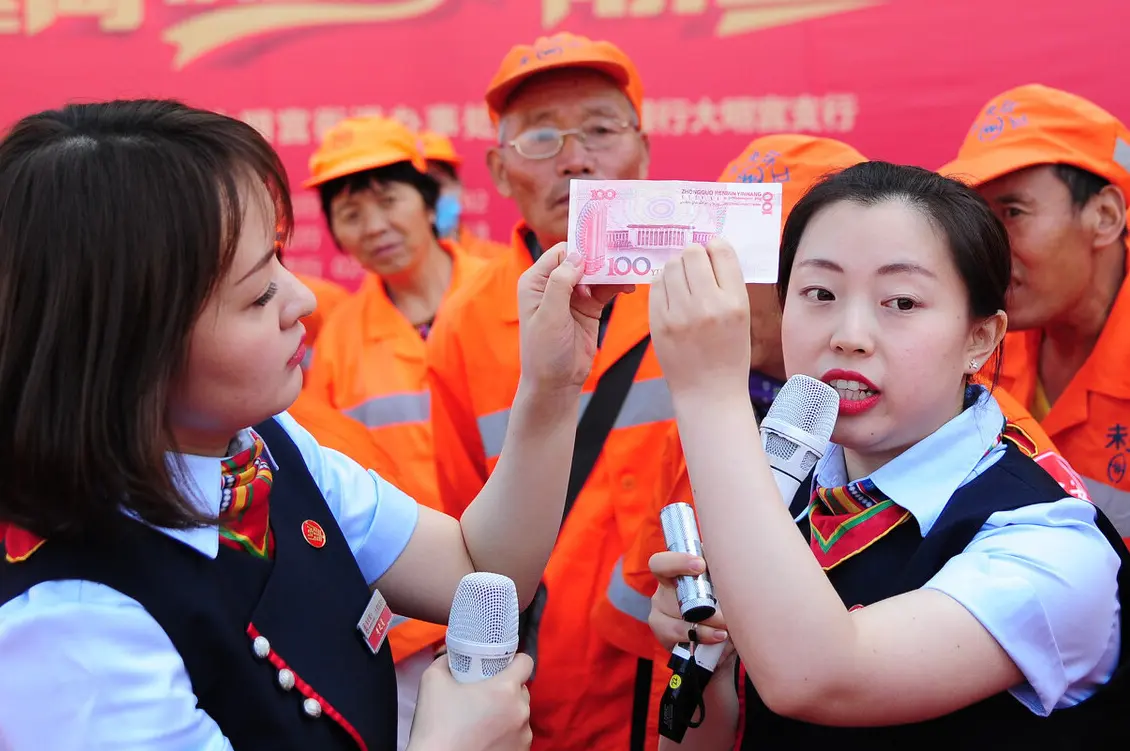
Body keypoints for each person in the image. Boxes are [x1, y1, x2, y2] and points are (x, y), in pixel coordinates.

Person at [0, 99, 632, 751]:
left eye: (279, 259)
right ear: (130, 346)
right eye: (256, 294)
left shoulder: (263, 446)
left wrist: (552, 386)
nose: (301, 299)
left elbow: (478, 567)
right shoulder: (69, 626)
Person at [594, 134, 1080, 750]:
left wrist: (705, 392)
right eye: (820, 294)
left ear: (980, 338)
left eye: (901, 302)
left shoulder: (1048, 538)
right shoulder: (786, 476)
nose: (850, 336)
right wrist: (710, 654)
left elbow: (816, 679)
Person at [426, 32, 671, 751]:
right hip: (546, 701)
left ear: (645, 153)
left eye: (600, 129)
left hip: (704, 684)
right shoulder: (466, 326)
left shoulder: (708, 286)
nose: (575, 157)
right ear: (500, 172)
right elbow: (463, 546)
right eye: (542, 137)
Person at [939, 84, 1130, 544]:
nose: (987, 246)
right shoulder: (976, 339)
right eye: (979, 217)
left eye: (1013, 212)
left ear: (1104, 215)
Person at [419, 130, 509, 260]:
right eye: (423, 187)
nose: (431, 196)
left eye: (438, 184)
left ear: (458, 187)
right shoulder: (391, 273)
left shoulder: (497, 261)